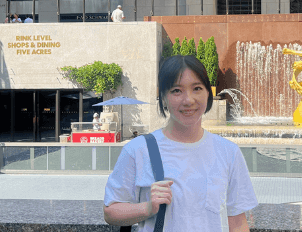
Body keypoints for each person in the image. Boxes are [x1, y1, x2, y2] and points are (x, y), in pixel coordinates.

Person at [104, 55, 258, 231]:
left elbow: (237, 222)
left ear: (209, 93)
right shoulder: (138, 150)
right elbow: (110, 211)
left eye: (197, 88)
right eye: (177, 90)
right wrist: (147, 208)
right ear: (163, 97)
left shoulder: (229, 152)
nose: (188, 100)